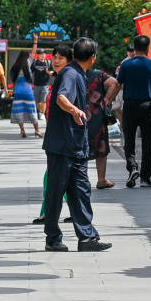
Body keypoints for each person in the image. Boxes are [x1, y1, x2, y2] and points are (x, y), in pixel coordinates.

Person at [42, 39, 110, 252]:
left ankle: (87, 238)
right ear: (93, 57)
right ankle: (52, 238)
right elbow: (62, 98)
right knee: (56, 191)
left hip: (76, 145)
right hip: (62, 145)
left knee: (80, 191)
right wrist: (75, 110)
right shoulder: (71, 74)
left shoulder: (77, 73)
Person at [116, 33, 151, 188]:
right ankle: (145, 178)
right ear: (147, 48)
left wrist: (107, 100)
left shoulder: (126, 65)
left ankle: (132, 168)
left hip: (130, 106)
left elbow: (118, 84)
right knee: (147, 142)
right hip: (147, 106)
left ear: (135, 47)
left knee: (129, 140)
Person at [86, 52, 120, 189]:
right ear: (92, 58)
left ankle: (81, 179)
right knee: (101, 146)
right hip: (96, 115)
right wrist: (106, 100)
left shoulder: (71, 73)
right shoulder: (98, 74)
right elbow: (114, 83)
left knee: (79, 147)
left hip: (76, 114)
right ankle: (101, 179)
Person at [9, 67, 41, 137]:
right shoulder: (28, 71)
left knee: (19, 112)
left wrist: (14, 92)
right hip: (28, 93)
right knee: (32, 111)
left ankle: (22, 130)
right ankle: (37, 130)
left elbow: (14, 84)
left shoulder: (15, 72)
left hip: (18, 93)